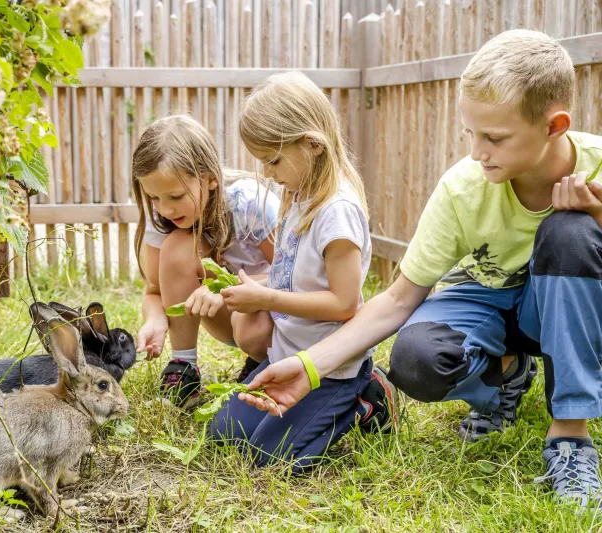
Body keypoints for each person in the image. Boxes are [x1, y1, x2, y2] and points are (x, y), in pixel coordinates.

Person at [240, 30, 602, 506]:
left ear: (554, 126)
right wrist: (310, 366)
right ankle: (506, 376)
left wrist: (597, 217)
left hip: (561, 307)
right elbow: (396, 299)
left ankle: (570, 437)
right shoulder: (463, 188)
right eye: (471, 133)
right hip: (484, 301)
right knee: (415, 358)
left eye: (494, 138)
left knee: (570, 231)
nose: (477, 152)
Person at [208, 71, 398, 473]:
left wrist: (266, 299)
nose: (269, 172)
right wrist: (245, 288)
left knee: (272, 461)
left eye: (274, 160)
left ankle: (366, 397)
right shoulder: (296, 194)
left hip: (330, 370)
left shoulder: (336, 212)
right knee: (223, 435)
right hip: (286, 356)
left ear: (313, 144)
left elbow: (345, 304)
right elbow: (292, 274)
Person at [133, 115, 280, 407]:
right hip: (228, 318)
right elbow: (153, 292)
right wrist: (155, 319)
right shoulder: (163, 216)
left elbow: (293, 276)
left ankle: (265, 362)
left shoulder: (250, 203)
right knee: (176, 245)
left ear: (211, 178)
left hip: (271, 318)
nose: (165, 208)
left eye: (175, 195)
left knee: (253, 326)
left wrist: (222, 290)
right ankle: (183, 368)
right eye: (154, 198)